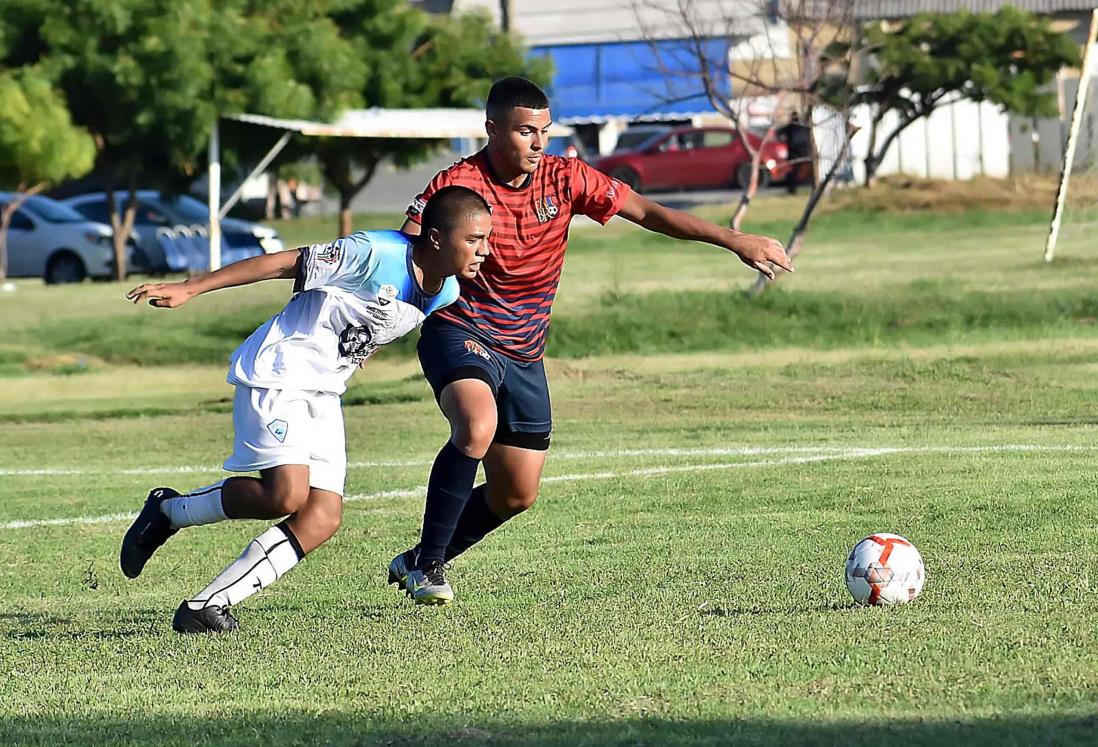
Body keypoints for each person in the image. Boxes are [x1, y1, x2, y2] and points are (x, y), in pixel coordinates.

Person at [388, 77, 792, 605]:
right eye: (525, 132)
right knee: (477, 424)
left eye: (545, 132)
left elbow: (647, 212)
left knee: (517, 493)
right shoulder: (457, 184)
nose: (538, 143)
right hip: (460, 331)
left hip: (525, 350)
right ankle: (431, 567)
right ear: (491, 129)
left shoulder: (565, 178)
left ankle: (420, 556)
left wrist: (733, 239)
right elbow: (404, 251)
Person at [118, 186, 492, 633]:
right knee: (286, 494)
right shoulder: (372, 252)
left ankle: (205, 607)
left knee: (322, 517)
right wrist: (190, 288)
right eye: (474, 239)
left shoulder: (444, 292)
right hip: (279, 371)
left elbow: (369, 326)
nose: (484, 251)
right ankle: (168, 511)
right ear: (435, 238)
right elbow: (280, 262)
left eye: (486, 239)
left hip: (324, 391)